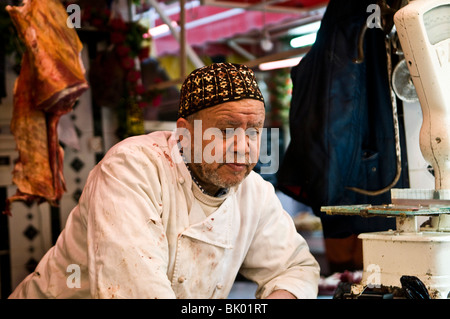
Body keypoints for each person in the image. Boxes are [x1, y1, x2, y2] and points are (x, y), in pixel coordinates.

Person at [9, 62, 320, 299]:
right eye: (226, 130)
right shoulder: (132, 167)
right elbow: (136, 288)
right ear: (184, 132)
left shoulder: (253, 192)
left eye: (254, 130)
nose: (244, 145)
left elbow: (294, 267)